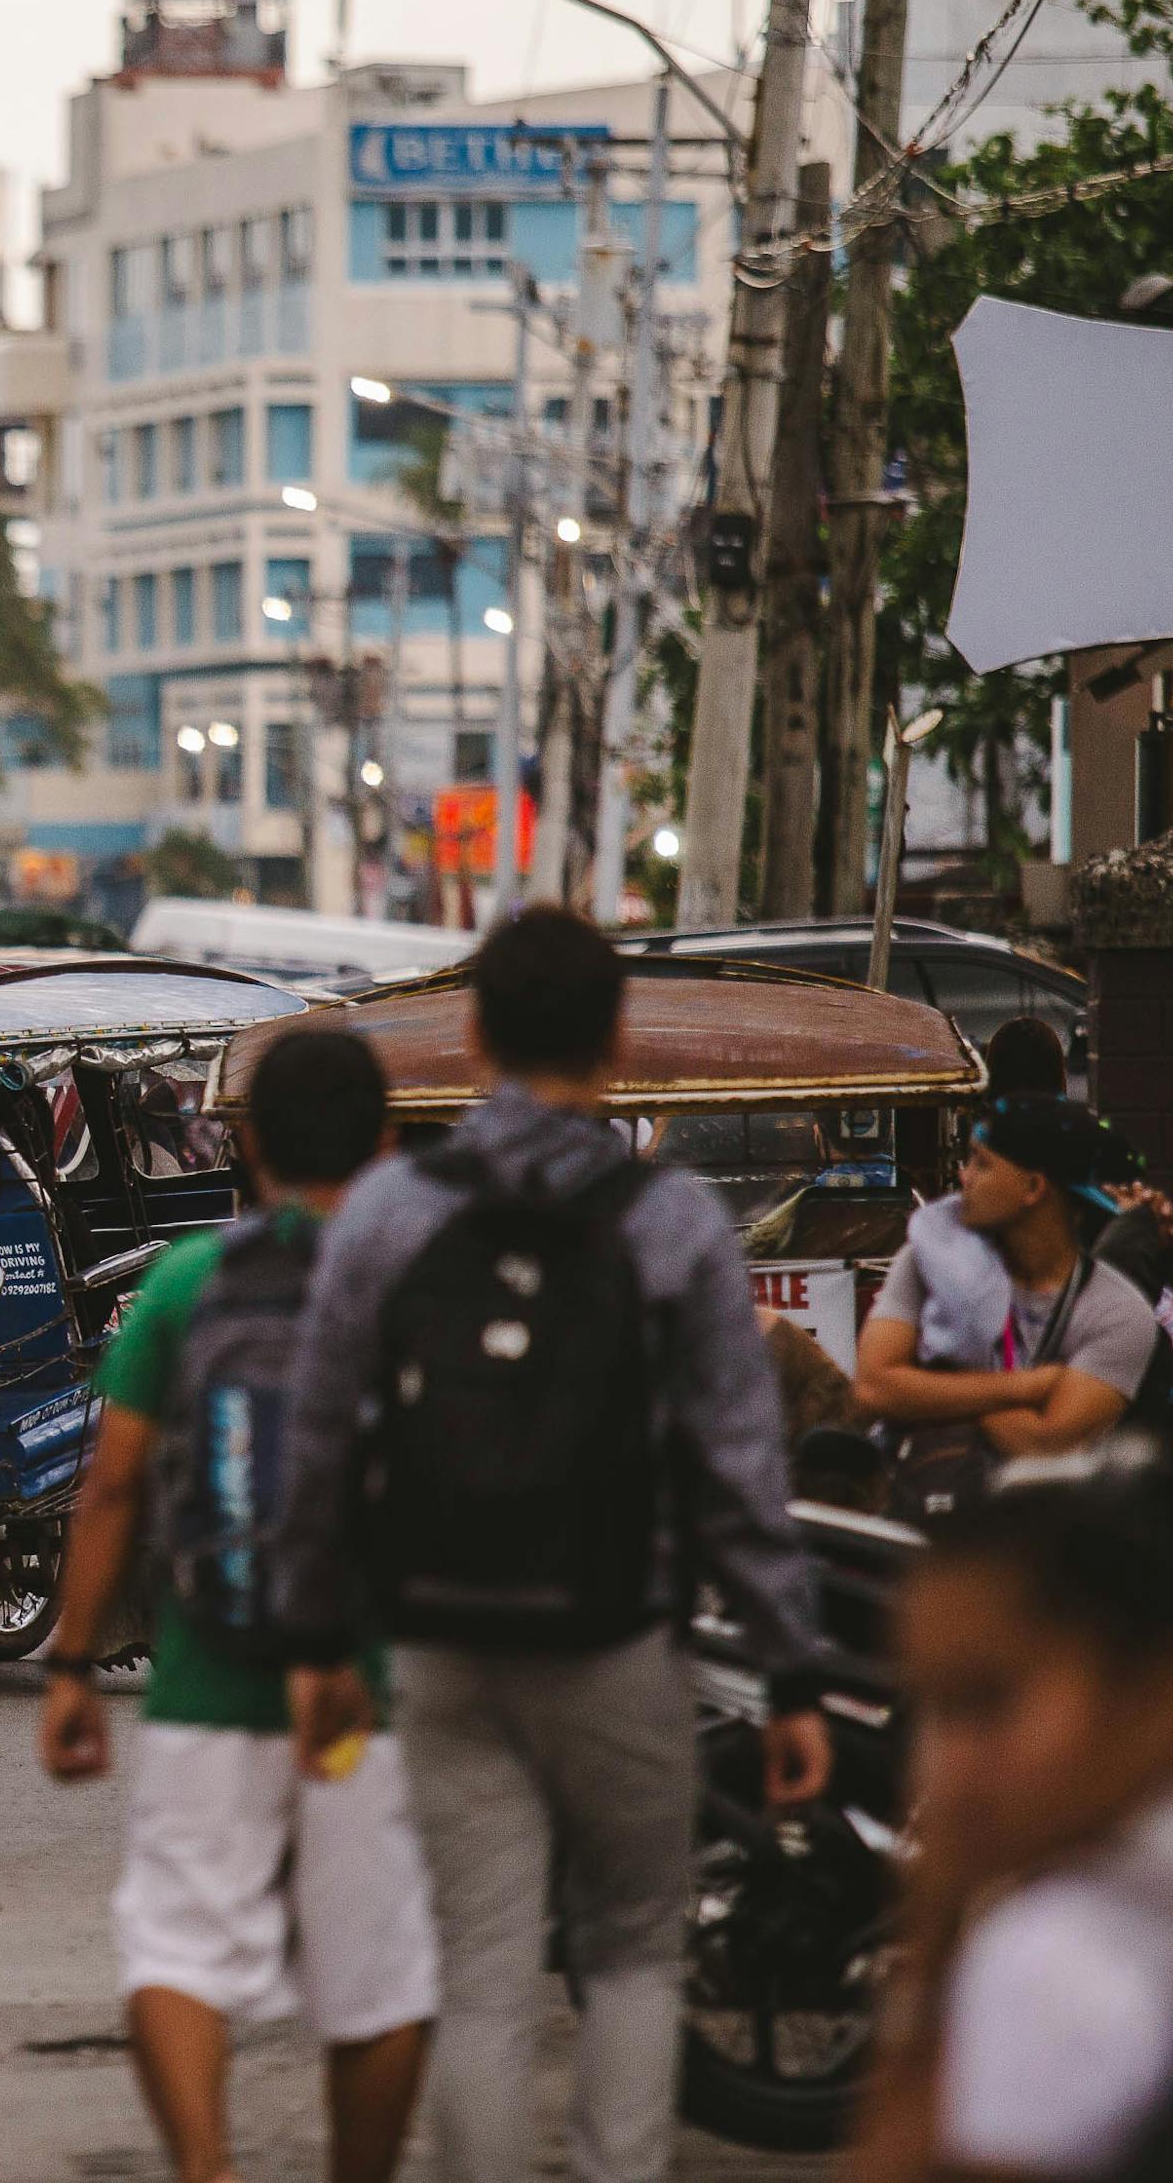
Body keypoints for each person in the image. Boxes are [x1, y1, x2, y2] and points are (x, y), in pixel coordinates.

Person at [273, 905, 830, 2183]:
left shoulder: (391, 1211)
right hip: (617, 1631)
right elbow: (735, 1470)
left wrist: (316, 1639)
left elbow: (320, 1445)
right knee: (633, 1949)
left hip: (439, 1632)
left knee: (479, 1967)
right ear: (617, 1039)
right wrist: (790, 1667)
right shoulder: (673, 1220)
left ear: (470, 1034)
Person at [40, 1025, 435, 2183]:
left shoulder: (185, 1283)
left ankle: (205, 2171)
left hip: (208, 1666)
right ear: (385, 1143)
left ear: (245, 1147)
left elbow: (112, 1486)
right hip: (372, 1687)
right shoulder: (412, 1287)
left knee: (178, 1947)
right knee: (379, 1979)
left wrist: (71, 1667)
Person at [848, 1460, 1173, 2181]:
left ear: (1149, 1686)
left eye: (984, 1703)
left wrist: (929, 1928)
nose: (944, 1765)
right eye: (929, 1711)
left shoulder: (1059, 1955)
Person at [854, 1096, 1155, 1505]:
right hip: (918, 1526)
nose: (965, 1178)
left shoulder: (1118, 1313)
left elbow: (1046, 1448)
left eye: (982, 1163)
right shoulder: (928, 1262)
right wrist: (1030, 1386)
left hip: (1037, 1548)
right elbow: (873, 1388)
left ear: (1032, 1187)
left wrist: (939, 1378)